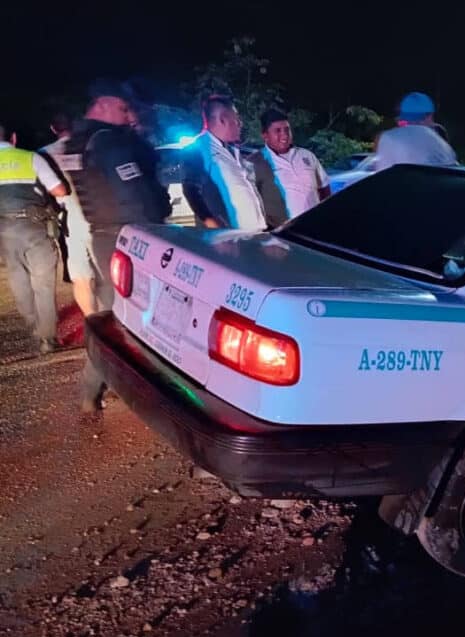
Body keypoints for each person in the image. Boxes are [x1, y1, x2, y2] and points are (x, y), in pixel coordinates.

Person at [64, 79, 170, 411]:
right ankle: (99, 391)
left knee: (118, 315)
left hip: (105, 235)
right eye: (124, 109)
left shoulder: (78, 142)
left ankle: (94, 391)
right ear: (103, 104)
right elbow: (135, 196)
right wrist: (156, 224)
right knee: (128, 318)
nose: (128, 116)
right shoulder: (110, 143)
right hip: (129, 237)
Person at [0, 121, 67, 354]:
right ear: (14, 137)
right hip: (35, 226)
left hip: (4, 230)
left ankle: (33, 326)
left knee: (18, 278)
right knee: (43, 282)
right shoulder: (30, 158)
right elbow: (60, 191)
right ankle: (47, 338)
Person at [40, 113, 97, 316]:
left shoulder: (44, 154)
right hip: (99, 214)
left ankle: (92, 318)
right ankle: (113, 316)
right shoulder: (91, 146)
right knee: (106, 268)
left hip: (71, 219)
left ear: (53, 129)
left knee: (80, 275)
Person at [183, 95, 266, 230]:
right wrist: (212, 224)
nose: (240, 124)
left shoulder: (234, 151)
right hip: (229, 238)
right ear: (222, 120)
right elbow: (190, 190)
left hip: (255, 233)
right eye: (237, 119)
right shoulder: (198, 149)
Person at [250, 107, 330, 228]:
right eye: (277, 131)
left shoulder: (307, 155)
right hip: (285, 234)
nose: (284, 135)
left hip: (316, 227)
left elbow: (324, 188)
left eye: (287, 129)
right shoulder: (254, 163)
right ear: (265, 135)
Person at [375, 92, 457, 172]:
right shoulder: (440, 143)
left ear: (402, 115)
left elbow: (383, 175)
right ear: (428, 116)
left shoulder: (387, 137)